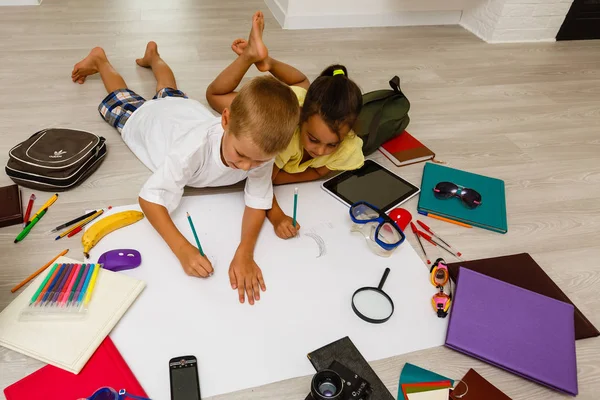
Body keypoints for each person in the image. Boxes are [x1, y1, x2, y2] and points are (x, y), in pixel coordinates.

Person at [71, 40, 299, 305]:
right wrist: (182, 249)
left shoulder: (260, 149)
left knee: (168, 90)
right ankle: (100, 60)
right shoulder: (191, 151)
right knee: (121, 96)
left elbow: (259, 198)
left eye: (258, 162)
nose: (248, 167)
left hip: (184, 113)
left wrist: (245, 253)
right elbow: (150, 199)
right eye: (242, 156)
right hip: (150, 122)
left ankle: (153, 56)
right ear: (225, 120)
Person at [210, 11, 364, 240]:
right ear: (299, 119)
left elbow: (317, 172)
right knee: (214, 95)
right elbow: (262, 182)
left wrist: (295, 176)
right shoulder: (284, 134)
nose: (320, 151)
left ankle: (267, 61)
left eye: (332, 145)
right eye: (313, 139)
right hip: (281, 104)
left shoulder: (348, 147)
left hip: (303, 100)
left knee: (303, 86)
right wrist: (277, 216)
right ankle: (253, 57)